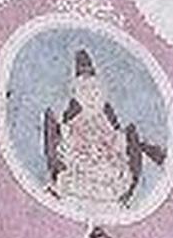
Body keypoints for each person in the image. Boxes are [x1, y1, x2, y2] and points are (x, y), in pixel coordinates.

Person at [42, 48, 165, 208]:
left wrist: (111, 155)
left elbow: (119, 152)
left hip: (109, 176)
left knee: (115, 178)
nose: (91, 95)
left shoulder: (109, 124)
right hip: (82, 175)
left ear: (102, 93)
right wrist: (86, 158)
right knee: (71, 181)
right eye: (84, 90)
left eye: (95, 90)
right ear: (77, 95)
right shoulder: (71, 126)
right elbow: (68, 153)